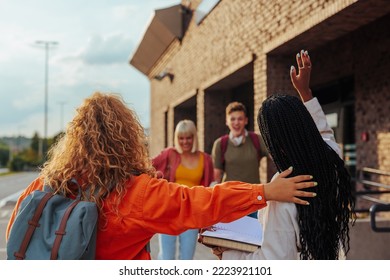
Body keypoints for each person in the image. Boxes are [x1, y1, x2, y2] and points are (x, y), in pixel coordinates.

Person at [6, 91, 317, 260]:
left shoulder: (47, 184)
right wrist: (264, 192)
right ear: (127, 137)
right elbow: (198, 202)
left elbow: (17, 231)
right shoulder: (134, 193)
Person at [213, 50, 355, 260]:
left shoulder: (284, 189)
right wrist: (305, 92)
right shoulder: (331, 159)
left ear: (275, 144)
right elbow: (325, 132)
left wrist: (227, 252)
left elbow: (271, 261)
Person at [152, 119, 213, 260]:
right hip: (169, 212)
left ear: (194, 137)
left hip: (191, 214)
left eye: (188, 137)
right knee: (167, 259)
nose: (185, 142)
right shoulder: (170, 154)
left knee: (186, 259)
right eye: (181, 138)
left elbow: (208, 187)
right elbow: (148, 165)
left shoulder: (205, 159)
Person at [211, 101, 268, 218]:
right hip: (229, 200)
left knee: (253, 234)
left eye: (240, 119)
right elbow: (216, 177)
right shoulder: (220, 144)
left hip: (253, 200)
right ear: (227, 121)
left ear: (246, 121)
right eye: (232, 119)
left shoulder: (256, 139)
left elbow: (275, 155)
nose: (236, 123)